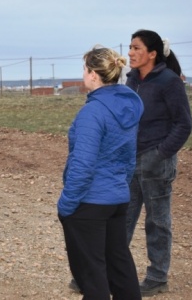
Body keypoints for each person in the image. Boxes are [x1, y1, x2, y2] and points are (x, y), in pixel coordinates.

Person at [58, 46, 143, 300]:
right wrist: (119, 187)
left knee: (92, 277)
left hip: (89, 203)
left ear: (94, 74)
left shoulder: (92, 112)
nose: (83, 74)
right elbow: (129, 158)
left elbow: (82, 165)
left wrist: (66, 205)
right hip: (116, 199)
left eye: (84, 69)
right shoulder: (128, 107)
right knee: (120, 268)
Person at [125, 29, 192, 296]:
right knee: (122, 217)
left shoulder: (169, 81)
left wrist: (160, 153)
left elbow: (184, 124)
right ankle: (111, 271)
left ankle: (157, 277)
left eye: (136, 48)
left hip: (156, 162)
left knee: (157, 222)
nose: (130, 52)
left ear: (152, 54)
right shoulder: (131, 79)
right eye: (130, 47)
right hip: (130, 160)